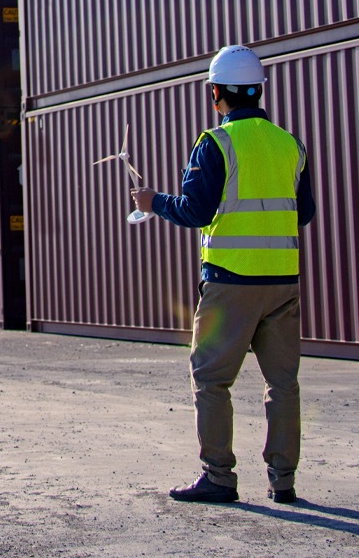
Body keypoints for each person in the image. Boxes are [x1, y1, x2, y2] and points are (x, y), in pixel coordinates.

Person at [130, 45, 314, 505]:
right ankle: (284, 480)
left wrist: (153, 203)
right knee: (283, 383)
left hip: (231, 282)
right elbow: (304, 213)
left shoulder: (216, 143)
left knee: (211, 379)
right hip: (283, 283)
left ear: (216, 94)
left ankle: (219, 476)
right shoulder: (289, 143)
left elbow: (195, 210)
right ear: (259, 91)